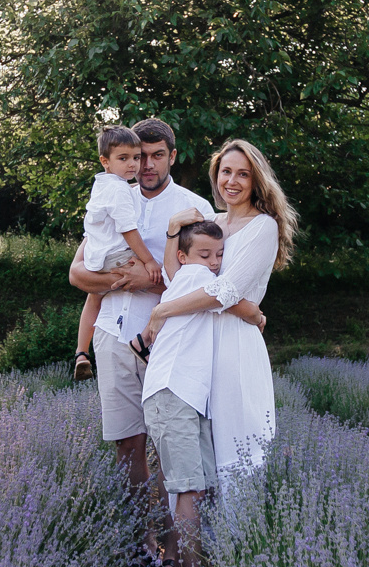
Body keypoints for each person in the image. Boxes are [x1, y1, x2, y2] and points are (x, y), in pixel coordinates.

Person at [67, 118, 213, 494]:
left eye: (156, 156)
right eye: (138, 156)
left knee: (170, 442)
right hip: (111, 333)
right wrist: (125, 280)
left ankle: (170, 528)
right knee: (127, 443)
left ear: (172, 156)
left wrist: (149, 281)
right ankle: (136, 529)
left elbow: (208, 284)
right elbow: (77, 274)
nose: (145, 165)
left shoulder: (195, 209)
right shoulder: (113, 196)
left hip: (167, 339)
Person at [140, 138, 296, 475]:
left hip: (233, 346)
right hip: (198, 345)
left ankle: (242, 512)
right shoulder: (211, 223)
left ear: (256, 181)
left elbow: (224, 291)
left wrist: (163, 310)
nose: (232, 181)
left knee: (237, 446)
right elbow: (178, 278)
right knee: (200, 453)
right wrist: (172, 231)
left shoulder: (263, 226)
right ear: (216, 175)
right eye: (226, 172)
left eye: (243, 174)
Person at [137, 218, 225, 567]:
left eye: (220, 254)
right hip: (172, 392)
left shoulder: (183, 280)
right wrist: (256, 314)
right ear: (185, 258)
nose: (214, 262)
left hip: (184, 394)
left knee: (197, 488)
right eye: (205, 254)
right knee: (189, 489)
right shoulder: (194, 278)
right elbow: (228, 294)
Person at [72, 126, 161, 382]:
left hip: (96, 256)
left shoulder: (102, 183)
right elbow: (128, 230)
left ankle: (81, 352)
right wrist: (148, 261)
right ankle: (143, 341)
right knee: (158, 281)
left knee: (94, 297)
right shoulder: (120, 190)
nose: (132, 164)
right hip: (115, 255)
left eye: (136, 157)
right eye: (123, 158)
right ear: (105, 161)